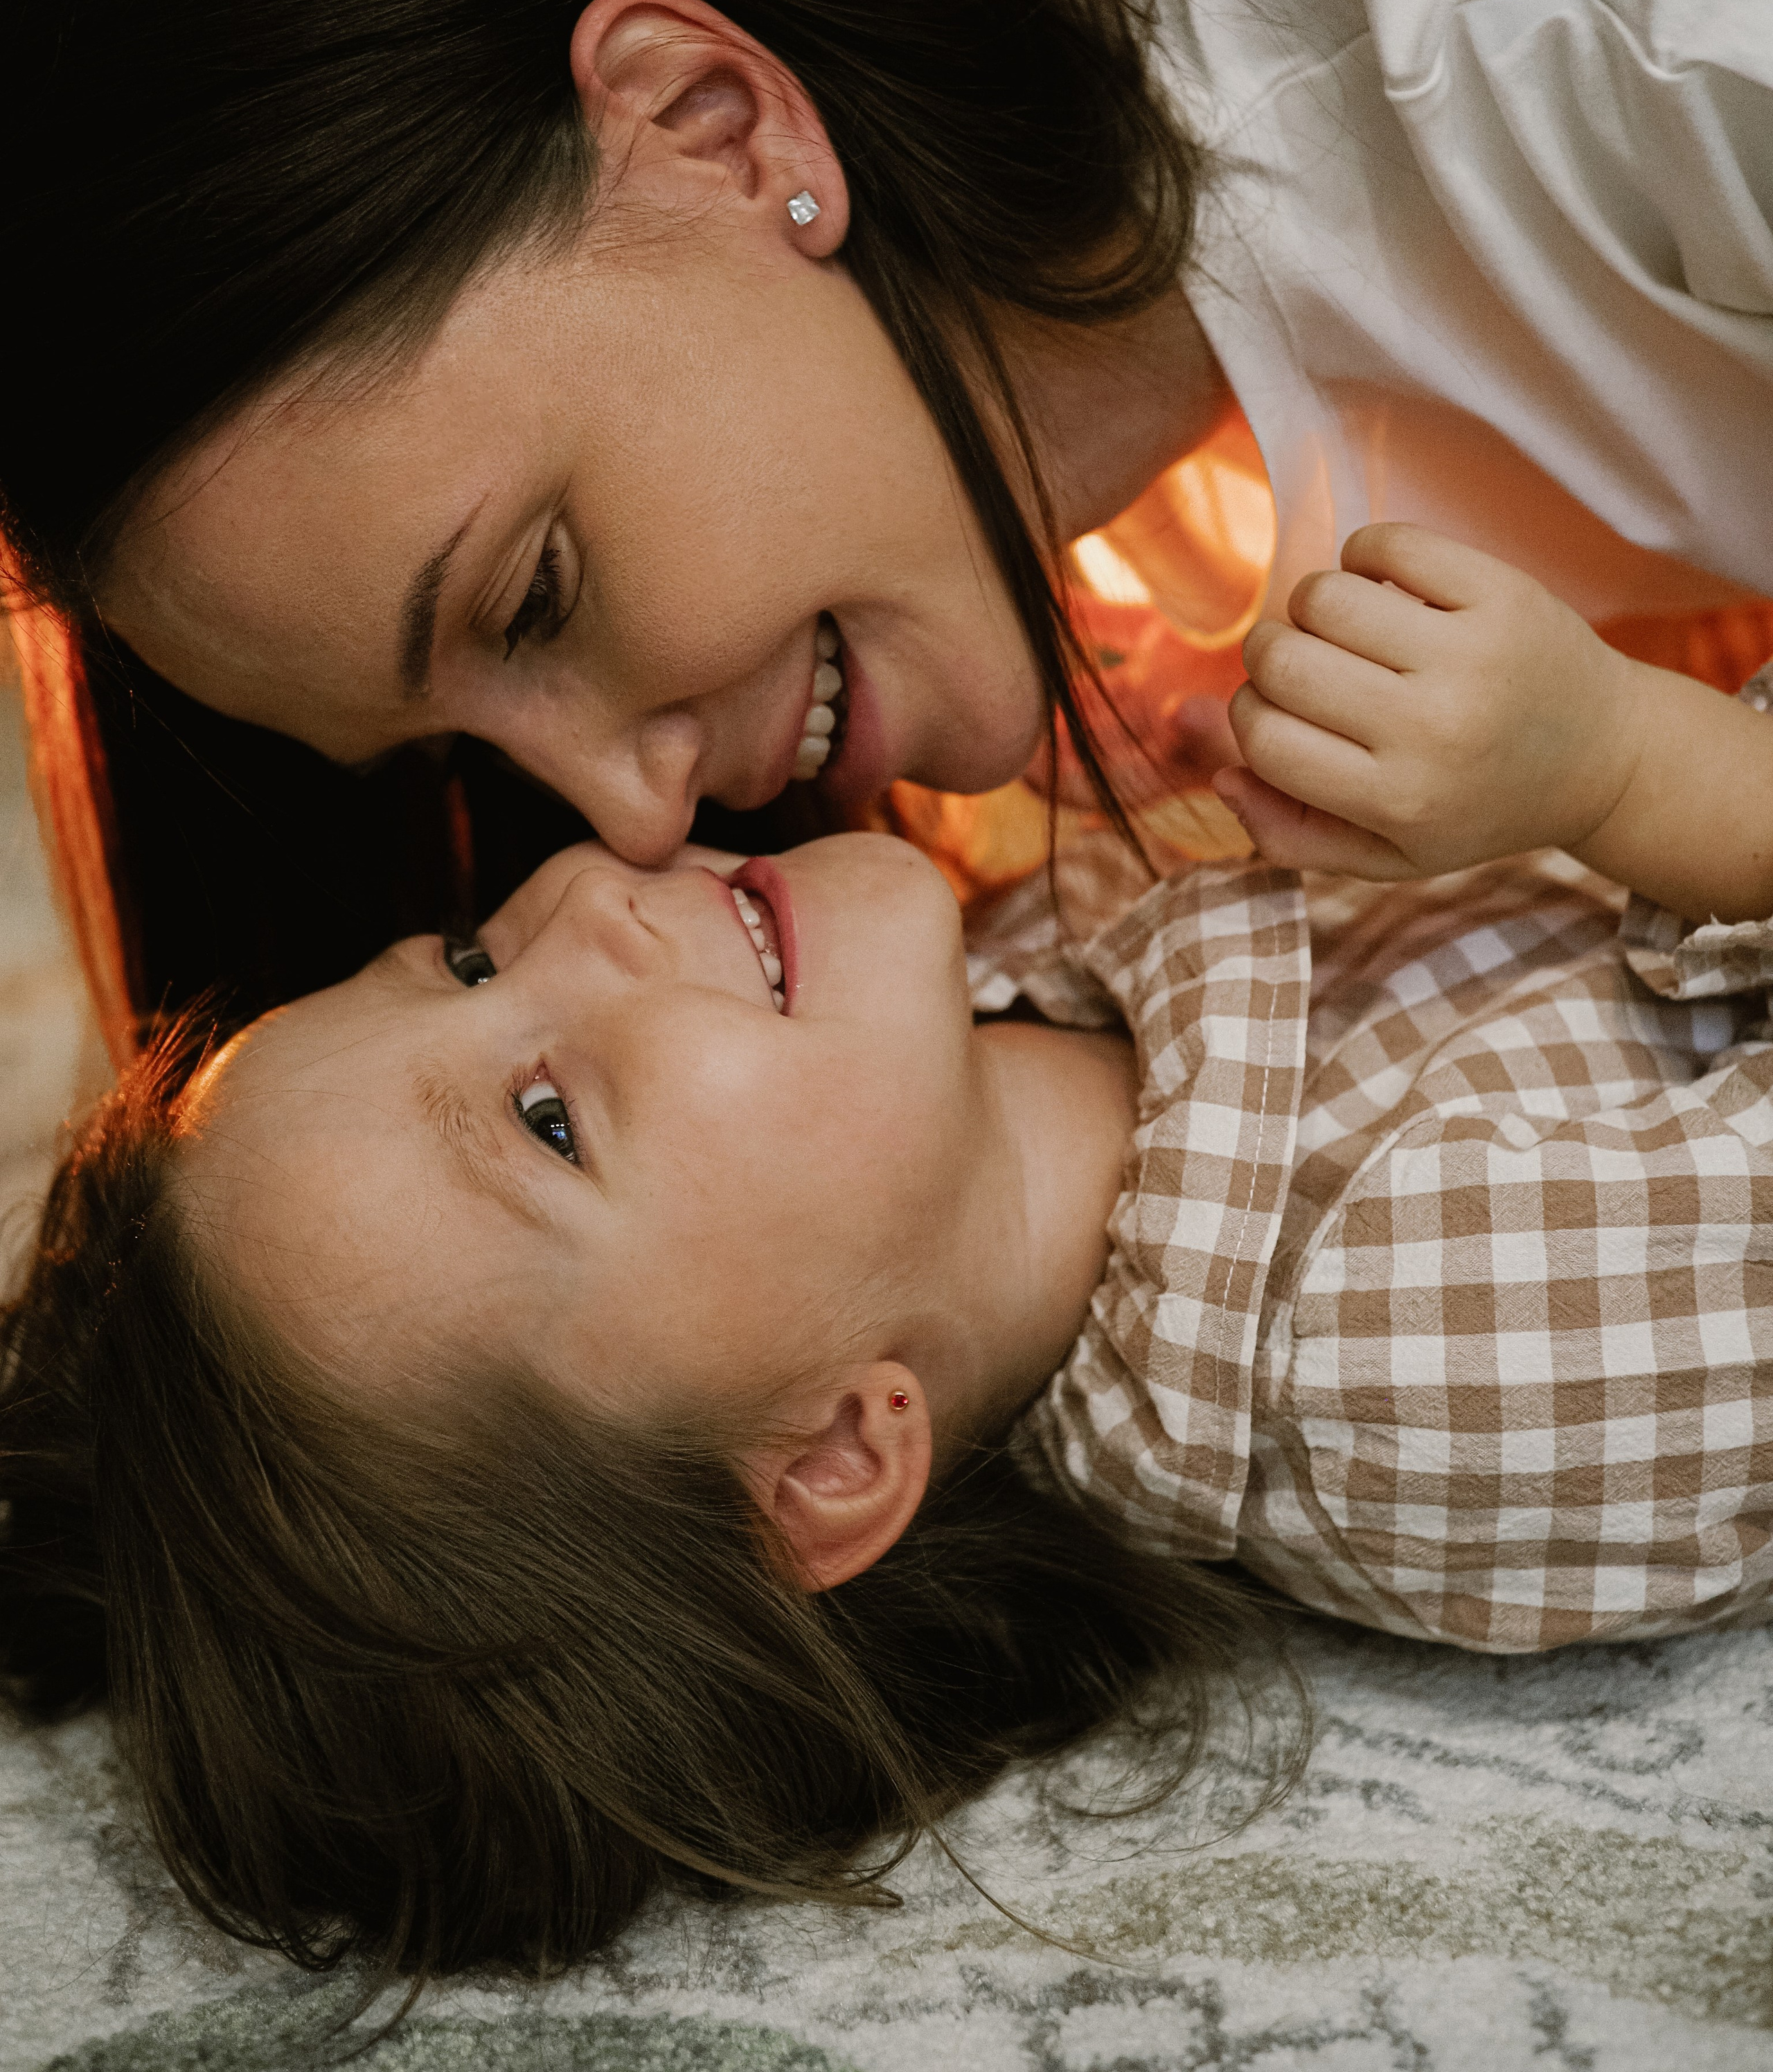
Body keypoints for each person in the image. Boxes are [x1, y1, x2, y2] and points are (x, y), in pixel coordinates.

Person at [4, 533, 1771, 1984]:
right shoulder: (1416, 1352)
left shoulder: (1013, 962)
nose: (581, 905)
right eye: (547, 1119)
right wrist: (1631, 767)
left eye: (465, 961)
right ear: (841, 1454)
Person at [5, 0, 1773, 1053]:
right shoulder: (1132, 516)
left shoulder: (1656, 15)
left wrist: (1637, 773)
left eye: (536, 593)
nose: (632, 817)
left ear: (706, 124)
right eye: (459, 748)